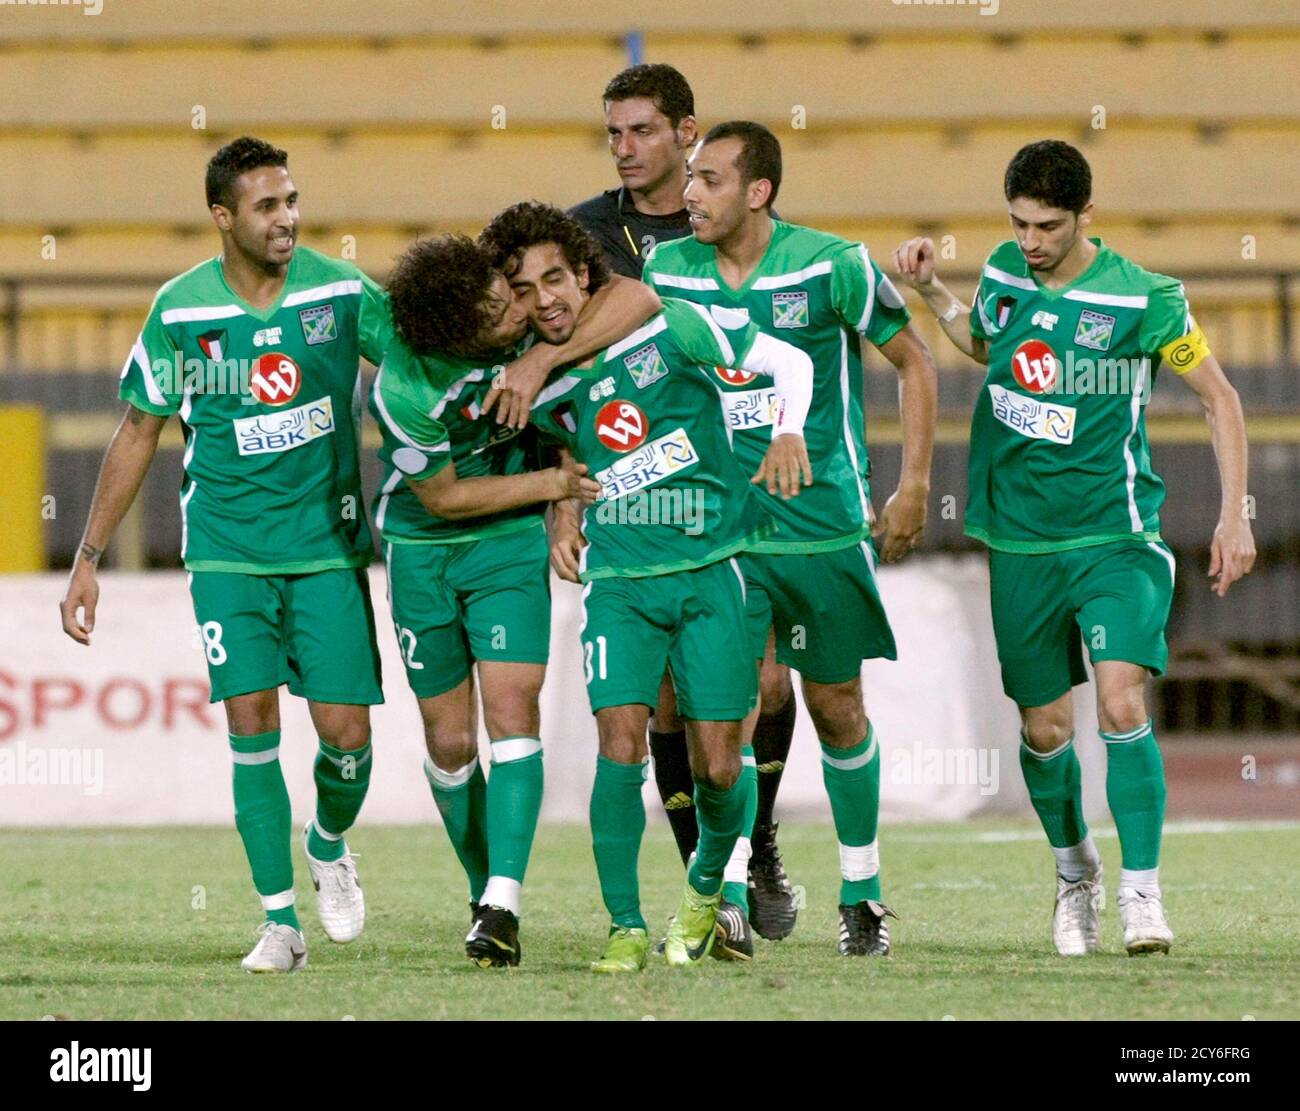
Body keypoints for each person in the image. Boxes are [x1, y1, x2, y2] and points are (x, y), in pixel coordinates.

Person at [892, 139, 1255, 956]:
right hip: (1021, 542)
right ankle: (1074, 872)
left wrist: (1236, 514)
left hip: (1115, 536)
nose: (1030, 241)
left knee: (1121, 701)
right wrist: (931, 293)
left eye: (1047, 226)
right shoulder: (1003, 271)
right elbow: (984, 343)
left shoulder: (1146, 299)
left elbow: (1221, 399)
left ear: (1086, 215)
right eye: (1018, 223)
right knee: (1046, 728)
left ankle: (1143, 895)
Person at [59, 136, 394, 973]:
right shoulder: (179, 310)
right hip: (226, 553)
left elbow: (422, 366)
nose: (286, 219)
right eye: (266, 206)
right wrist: (89, 554)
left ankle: (327, 842)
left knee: (347, 738)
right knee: (249, 723)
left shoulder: (343, 290)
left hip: (326, 550)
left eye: (291, 202)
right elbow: (139, 428)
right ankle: (280, 921)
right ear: (223, 217)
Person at [480, 202, 816, 970]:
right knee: (618, 746)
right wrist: (561, 516)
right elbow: (568, 455)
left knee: (721, 766)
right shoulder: (541, 379)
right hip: (620, 585)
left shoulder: (674, 327)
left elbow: (789, 363)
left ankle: (707, 890)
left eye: (556, 279)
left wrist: (789, 428)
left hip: (710, 573)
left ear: (585, 273)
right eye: (527, 290)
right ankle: (625, 925)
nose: (547, 300)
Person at [642, 121, 939, 957]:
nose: (689, 193)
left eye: (708, 179)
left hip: (822, 522)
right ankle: (730, 894)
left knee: (836, 704)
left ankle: (863, 891)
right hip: (720, 532)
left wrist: (914, 485)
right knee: (727, 711)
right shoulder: (668, 270)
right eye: (689, 179)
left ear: (759, 190)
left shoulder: (831, 264)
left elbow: (916, 363)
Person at [370, 233, 656, 966]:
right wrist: (555, 488)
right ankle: (482, 889)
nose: (517, 312)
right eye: (498, 312)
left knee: (511, 716)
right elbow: (443, 496)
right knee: (452, 743)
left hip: (508, 549)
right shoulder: (404, 390)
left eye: (512, 295)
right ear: (458, 333)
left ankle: (503, 899)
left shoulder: (524, 321)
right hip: (425, 548)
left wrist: (542, 359)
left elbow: (635, 298)